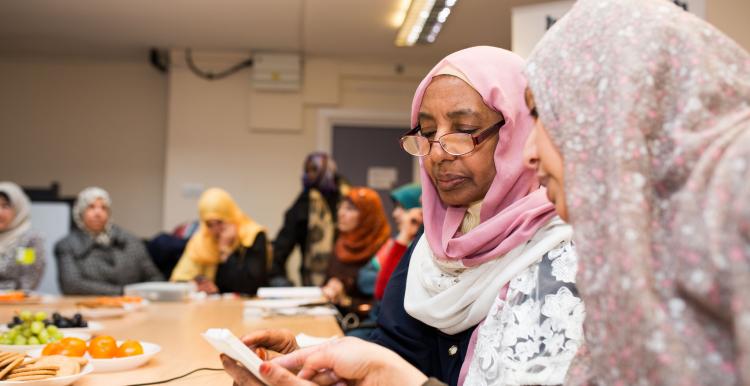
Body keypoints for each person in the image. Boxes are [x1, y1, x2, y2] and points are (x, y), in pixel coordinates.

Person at [224, 46, 584, 386]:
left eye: (464, 130)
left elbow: (389, 369)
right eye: (427, 133)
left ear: (519, 132)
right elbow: (391, 347)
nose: (438, 153)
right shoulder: (430, 248)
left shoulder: (561, 261)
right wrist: (306, 354)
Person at [520, 0, 750, 384]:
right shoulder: (638, 237)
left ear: (603, 102)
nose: (528, 154)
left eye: (540, 113)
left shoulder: (736, 188)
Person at [55, 187, 163, 295]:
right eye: (91, 207)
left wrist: (143, 295)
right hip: (86, 306)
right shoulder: (67, 245)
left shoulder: (130, 241)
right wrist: (122, 292)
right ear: (80, 212)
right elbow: (71, 285)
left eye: (103, 208)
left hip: (133, 305)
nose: (98, 213)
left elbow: (155, 278)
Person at [269, 152, 349, 287]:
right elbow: (283, 244)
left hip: (346, 276)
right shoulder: (303, 203)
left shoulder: (347, 197)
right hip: (313, 279)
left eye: (314, 169)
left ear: (327, 170)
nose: (309, 174)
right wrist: (277, 277)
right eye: (306, 170)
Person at [170, 188, 269, 295]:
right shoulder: (201, 240)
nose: (216, 230)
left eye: (220, 222)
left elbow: (251, 286)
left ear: (230, 216)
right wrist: (194, 286)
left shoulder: (252, 236)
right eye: (209, 224)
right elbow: (177, 281)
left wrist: (225, 250)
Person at [321, 186, 390, 316]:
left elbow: (382, 305)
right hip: (334, 317)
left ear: (367, 216)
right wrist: (332, 284)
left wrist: (346, 301)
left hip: (362, 325)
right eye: (341, 207)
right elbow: (327, 281)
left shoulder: (384, 250)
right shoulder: (341, 242)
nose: (341, 213)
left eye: (350, 209)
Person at [0, 182, 45, 291]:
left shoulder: (27, 240)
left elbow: (27, 283)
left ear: (18, 209)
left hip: (14, 304)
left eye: (5, 206)